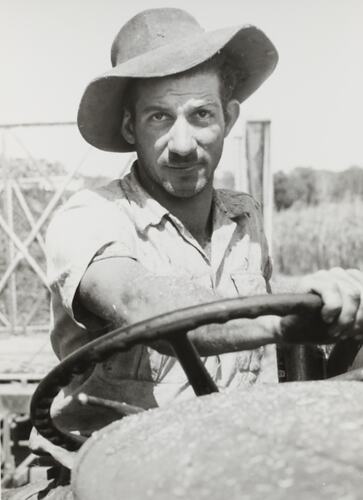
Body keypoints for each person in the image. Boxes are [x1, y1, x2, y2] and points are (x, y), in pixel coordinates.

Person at [13, 7, 363, 498]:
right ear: (132, 127)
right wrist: (276, 324)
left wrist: (331, 300)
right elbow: (139, 303)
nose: (183, 144)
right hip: (102, 468)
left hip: (228, 460)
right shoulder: (89, 216)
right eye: (160, 117)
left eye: (201, 114)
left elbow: (279, 338)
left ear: (228, 117)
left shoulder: (245, 218)